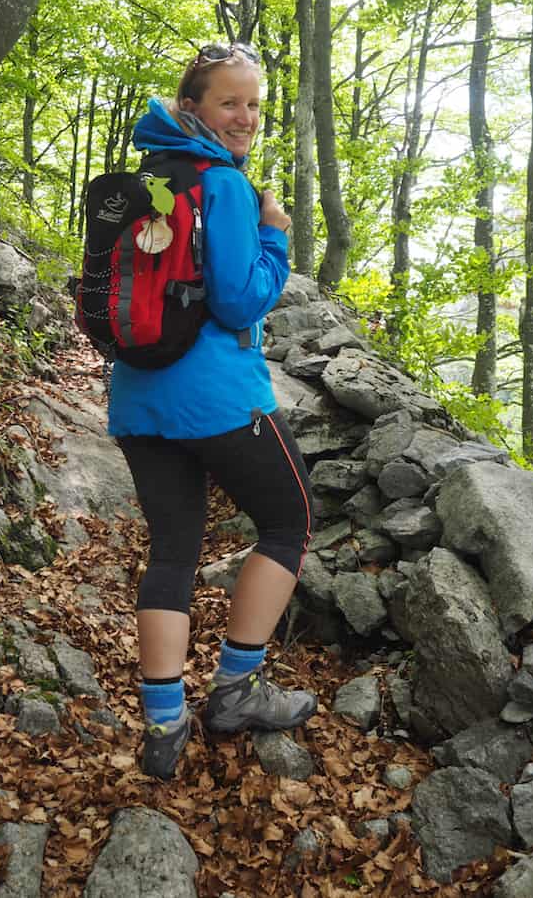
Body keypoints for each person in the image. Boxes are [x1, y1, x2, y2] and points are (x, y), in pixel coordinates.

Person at [108, 41, 316, 779]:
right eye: (231, 102)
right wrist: (275, 235)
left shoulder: (146, 178)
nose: (247, 117)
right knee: (290, 521)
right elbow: (239, 298)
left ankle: (164, 727)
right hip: (220, 398)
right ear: (192, 107)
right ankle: (235, 689)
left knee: (171, 549)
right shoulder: (222, 185)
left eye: (255, 103)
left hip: (138, 397)